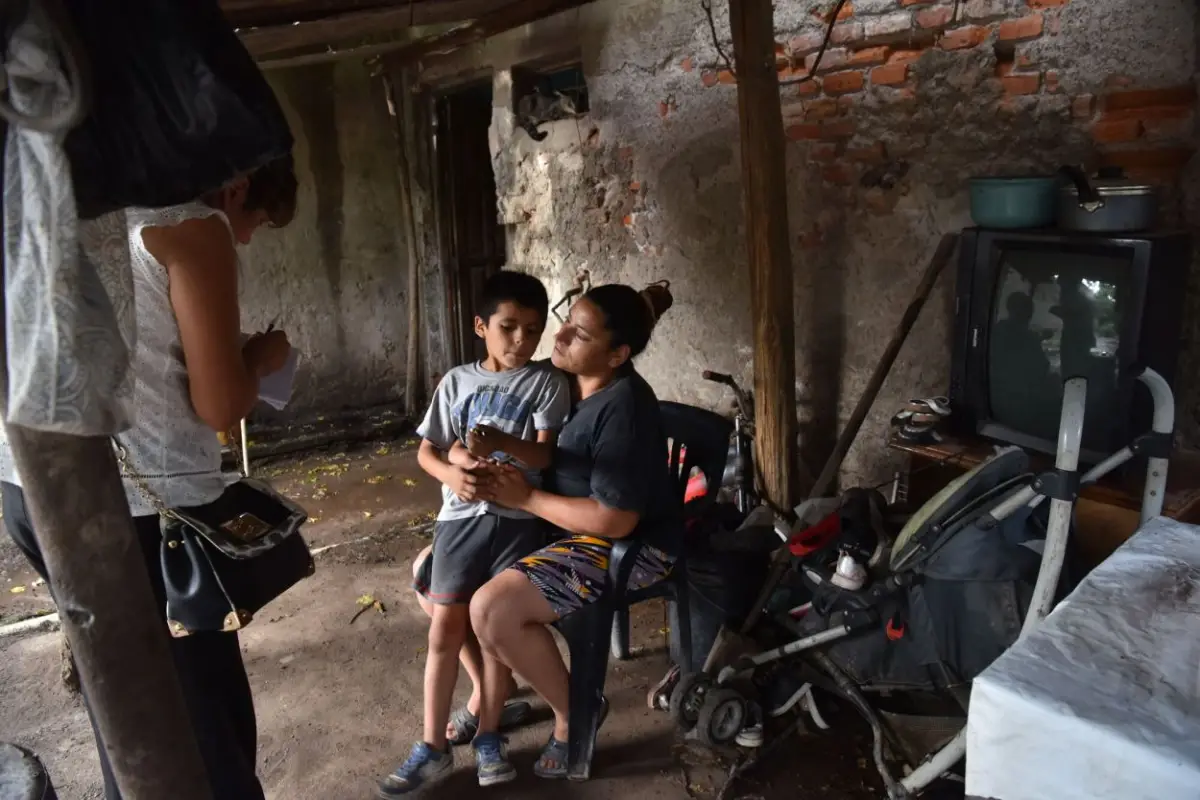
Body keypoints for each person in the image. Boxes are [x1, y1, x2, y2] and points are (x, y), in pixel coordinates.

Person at [0, 155, 298, 800]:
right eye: (253, 222)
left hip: (29, 487)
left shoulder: (66, 207)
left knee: (124, 700)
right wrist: (262, 356)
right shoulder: (187, 225)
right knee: (200, 724)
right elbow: (220, 405)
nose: (246, 238)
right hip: (142, 511)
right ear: (237, 184)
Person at [467, 283, 679, 780]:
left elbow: (616, 520)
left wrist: (525, 499)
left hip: (630, 547)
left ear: (617, 354)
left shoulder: (623, 408)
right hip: (563, 527)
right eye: (566, 322)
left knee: (492, 609)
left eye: (579, 334)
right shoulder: (569, 380)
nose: (559, 337)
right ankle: (490, 694)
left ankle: (574, 714)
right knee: (436, 574)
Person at [377, 271, 570, 796]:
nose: (521, 341)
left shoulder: (545, 382)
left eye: (533, 329)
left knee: (491, 630)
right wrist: (453, 473)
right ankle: (431, 747)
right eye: (509, 327)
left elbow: (544, 455)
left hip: (515, 522)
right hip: (459, 521)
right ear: (481, 326)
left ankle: (488, 735)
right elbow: (427, 451)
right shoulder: (456, 382)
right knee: (444, 630)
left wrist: (500, 442)